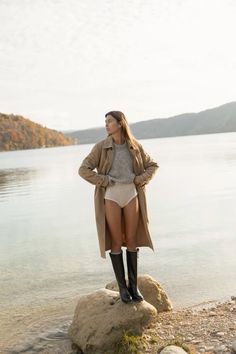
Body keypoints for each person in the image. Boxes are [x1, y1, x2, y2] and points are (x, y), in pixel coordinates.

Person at [78, 111, 159, 304]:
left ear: (120, 123)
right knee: (115, 241)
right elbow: (83, 169)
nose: (106, 125)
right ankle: (122, 289)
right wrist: (103, 180)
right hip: (111, 196)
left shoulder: (134, 145)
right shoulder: (101, 147)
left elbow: (152, 165)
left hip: (131, 194)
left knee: (131, 239)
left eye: (110, 122)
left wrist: (139, 179)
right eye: (105, 122)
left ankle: (133, 287)